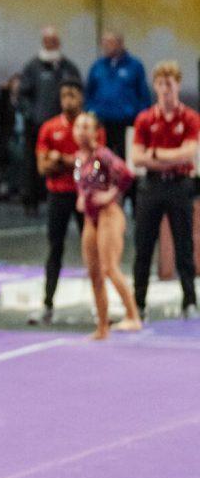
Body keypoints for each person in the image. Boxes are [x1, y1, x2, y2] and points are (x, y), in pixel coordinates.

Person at [130, 60, 199, 320]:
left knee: (184, 245)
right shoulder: (145, 119)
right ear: (155, 87)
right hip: (151, 186)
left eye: (169, 84)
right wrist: (168, 157)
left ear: (178, 85)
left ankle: (189, 301)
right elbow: (136, 157)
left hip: (180, 185)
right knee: (144, 245)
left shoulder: (190, 118)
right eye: (160, 85)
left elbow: (188, 154)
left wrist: (156, 153)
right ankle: (138, 302)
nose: (165, 90)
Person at [33, 78, 102, 324]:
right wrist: (72, 161)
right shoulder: (50, 128)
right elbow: (43, 167)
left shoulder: (92, 127)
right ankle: (48, 304)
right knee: (55, 248)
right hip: (59, 195)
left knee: (93, 250)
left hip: (85, 196)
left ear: (81, 97)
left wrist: (60, 159)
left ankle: (99, 306)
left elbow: (94, 163)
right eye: (64, 96)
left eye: (72, 95)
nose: (68, 100)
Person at [72, 113, 140, 340]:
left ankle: (133, 315)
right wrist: (82, 197)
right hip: (91, 218)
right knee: (94, 272)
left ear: (95, 131)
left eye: (86, 127)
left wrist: (110, 194)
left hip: (109, 214)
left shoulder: (102, 154)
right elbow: (82, 183)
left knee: (109, 267)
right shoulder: (79, 158)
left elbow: (127, 175)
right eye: (78, 126)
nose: (81, 131)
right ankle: (102, 326)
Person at [19, 26, 81, 214]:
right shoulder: (32, 67)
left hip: (66, 124)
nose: (51, 43)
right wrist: (31, 114)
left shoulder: (68, 67)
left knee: (69, 161)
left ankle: (71, 198)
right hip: (39, 124)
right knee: (35, 163)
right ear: (43, 42)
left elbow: (78, 89)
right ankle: (32, 202)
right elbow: (23, 94)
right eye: (48, 40)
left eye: (54, 40)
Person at [85, 31, 152, 159]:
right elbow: (89, 94)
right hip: (102, 124)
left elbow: (144, 96)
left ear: (120, 43)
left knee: (126, 159)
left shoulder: (135, 66)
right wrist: (91, 112)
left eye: (109, 43)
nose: (105, 46)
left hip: (126, 124)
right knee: (101, 160)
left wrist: (140, 119)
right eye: (103, 43)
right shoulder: (97, 66)